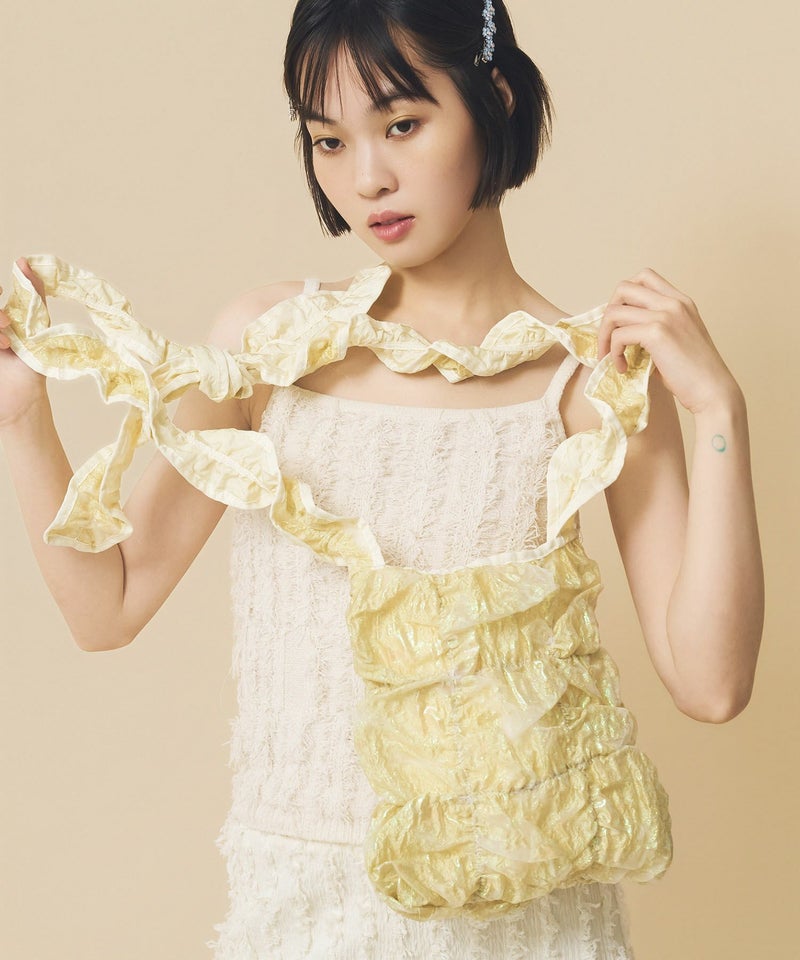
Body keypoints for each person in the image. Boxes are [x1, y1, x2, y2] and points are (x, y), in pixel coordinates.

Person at [0, 0, 764, 957]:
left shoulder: (583, 383)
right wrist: (21, 419)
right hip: (305, 915)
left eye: (401, 124)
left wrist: (719, 413)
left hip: (527, 921)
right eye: (329, 140)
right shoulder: (270, 346)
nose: (366, 178)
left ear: (493, 98)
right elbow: (104, 606)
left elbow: (712, 683)